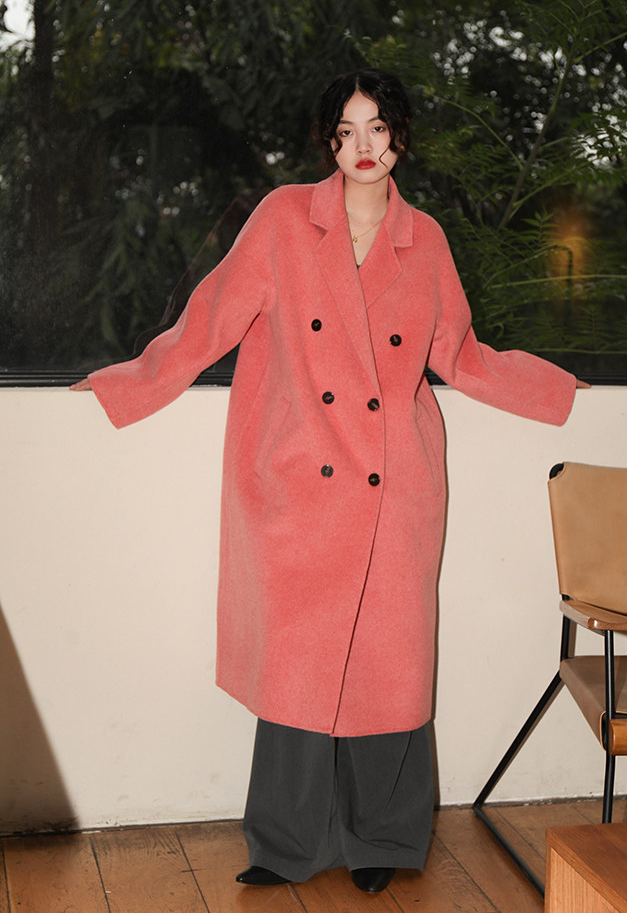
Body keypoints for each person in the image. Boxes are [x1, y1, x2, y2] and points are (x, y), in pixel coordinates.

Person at [73, 70, 585, 894]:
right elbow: (210, 318)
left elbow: (459, 354)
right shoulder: (283, 219)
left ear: (400, 137)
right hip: (300, 484)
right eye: (346, 132)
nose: (363, 147)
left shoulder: (425, 242)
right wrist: (122, 384)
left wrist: (554, 387)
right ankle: (286, 844)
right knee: (297, 670)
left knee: (390, 670)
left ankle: (383, 840)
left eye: (377, 128)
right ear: (328, 143)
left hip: (396, 486)